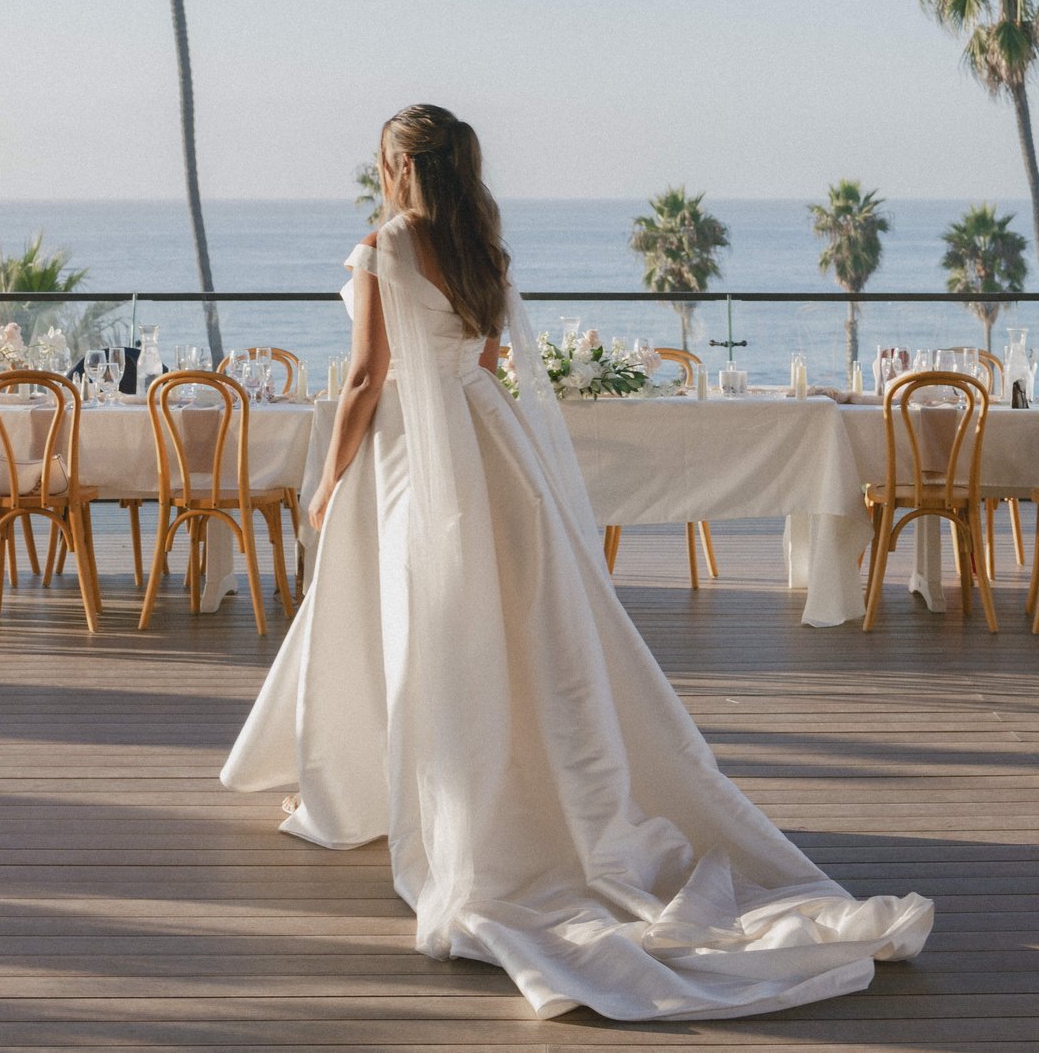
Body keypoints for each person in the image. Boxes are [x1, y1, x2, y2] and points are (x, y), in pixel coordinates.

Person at [222, 104, 930, 1021]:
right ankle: (485, 782)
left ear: (401, 164)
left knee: (423, 618)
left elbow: (364, 376)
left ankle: (402, 793)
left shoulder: (386, 246)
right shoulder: (483, 244)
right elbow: (477, 359)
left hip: (413, 455)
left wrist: (328, 478)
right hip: (493, 443)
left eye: (383, 159)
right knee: (511, 621)